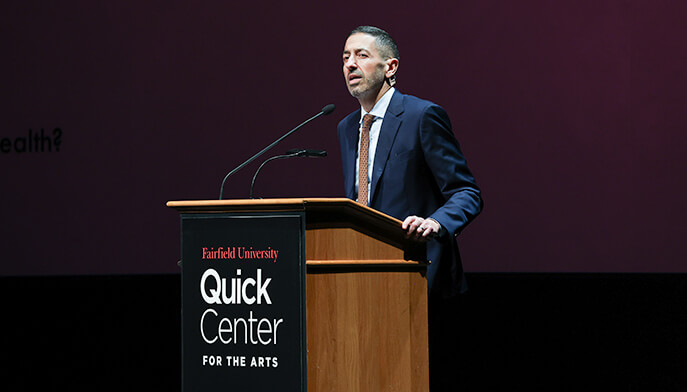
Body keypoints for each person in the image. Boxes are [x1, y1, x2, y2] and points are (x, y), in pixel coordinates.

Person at [337, 25, 483, 390]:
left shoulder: (422, 116)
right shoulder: (346, 127)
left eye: (361, 55)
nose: (350, 64)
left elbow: (467, 191)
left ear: (391, 67)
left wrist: (435, 222)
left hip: (421, 281)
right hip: (365, 280)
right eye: (345, 57)